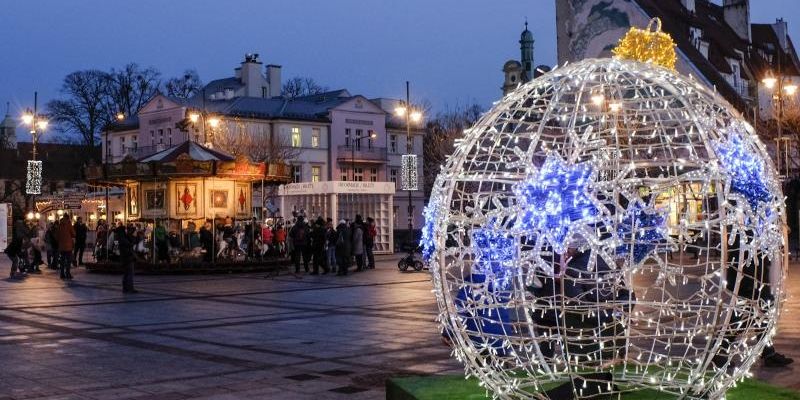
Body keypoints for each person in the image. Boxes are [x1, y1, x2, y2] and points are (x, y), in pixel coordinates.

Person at [716, 228, 793, 368]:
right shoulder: (743, 219)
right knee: (742, 315)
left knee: (762, 310)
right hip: (746, 272)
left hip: (757, 270)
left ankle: (767, 351)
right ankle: (720, 352)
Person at [116, 225, 137, 293]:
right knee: (129, 274)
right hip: (128, 257)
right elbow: (130, 244)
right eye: (124, 229)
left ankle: (125, 288)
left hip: (124, 257)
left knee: (126, 274)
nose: (126, 230)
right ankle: (130, 288)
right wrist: (133, 237)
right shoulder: (123, 238)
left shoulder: (121, 237)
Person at [55, 214, 76, 280]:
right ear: (68, 218)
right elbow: (73, 234)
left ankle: (62, 274)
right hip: (68, 246)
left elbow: (56, 236)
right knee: (68, 261)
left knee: (62, 260)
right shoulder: (69, 224)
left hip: (61, 246)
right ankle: (68, 273)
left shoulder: (59, 225)